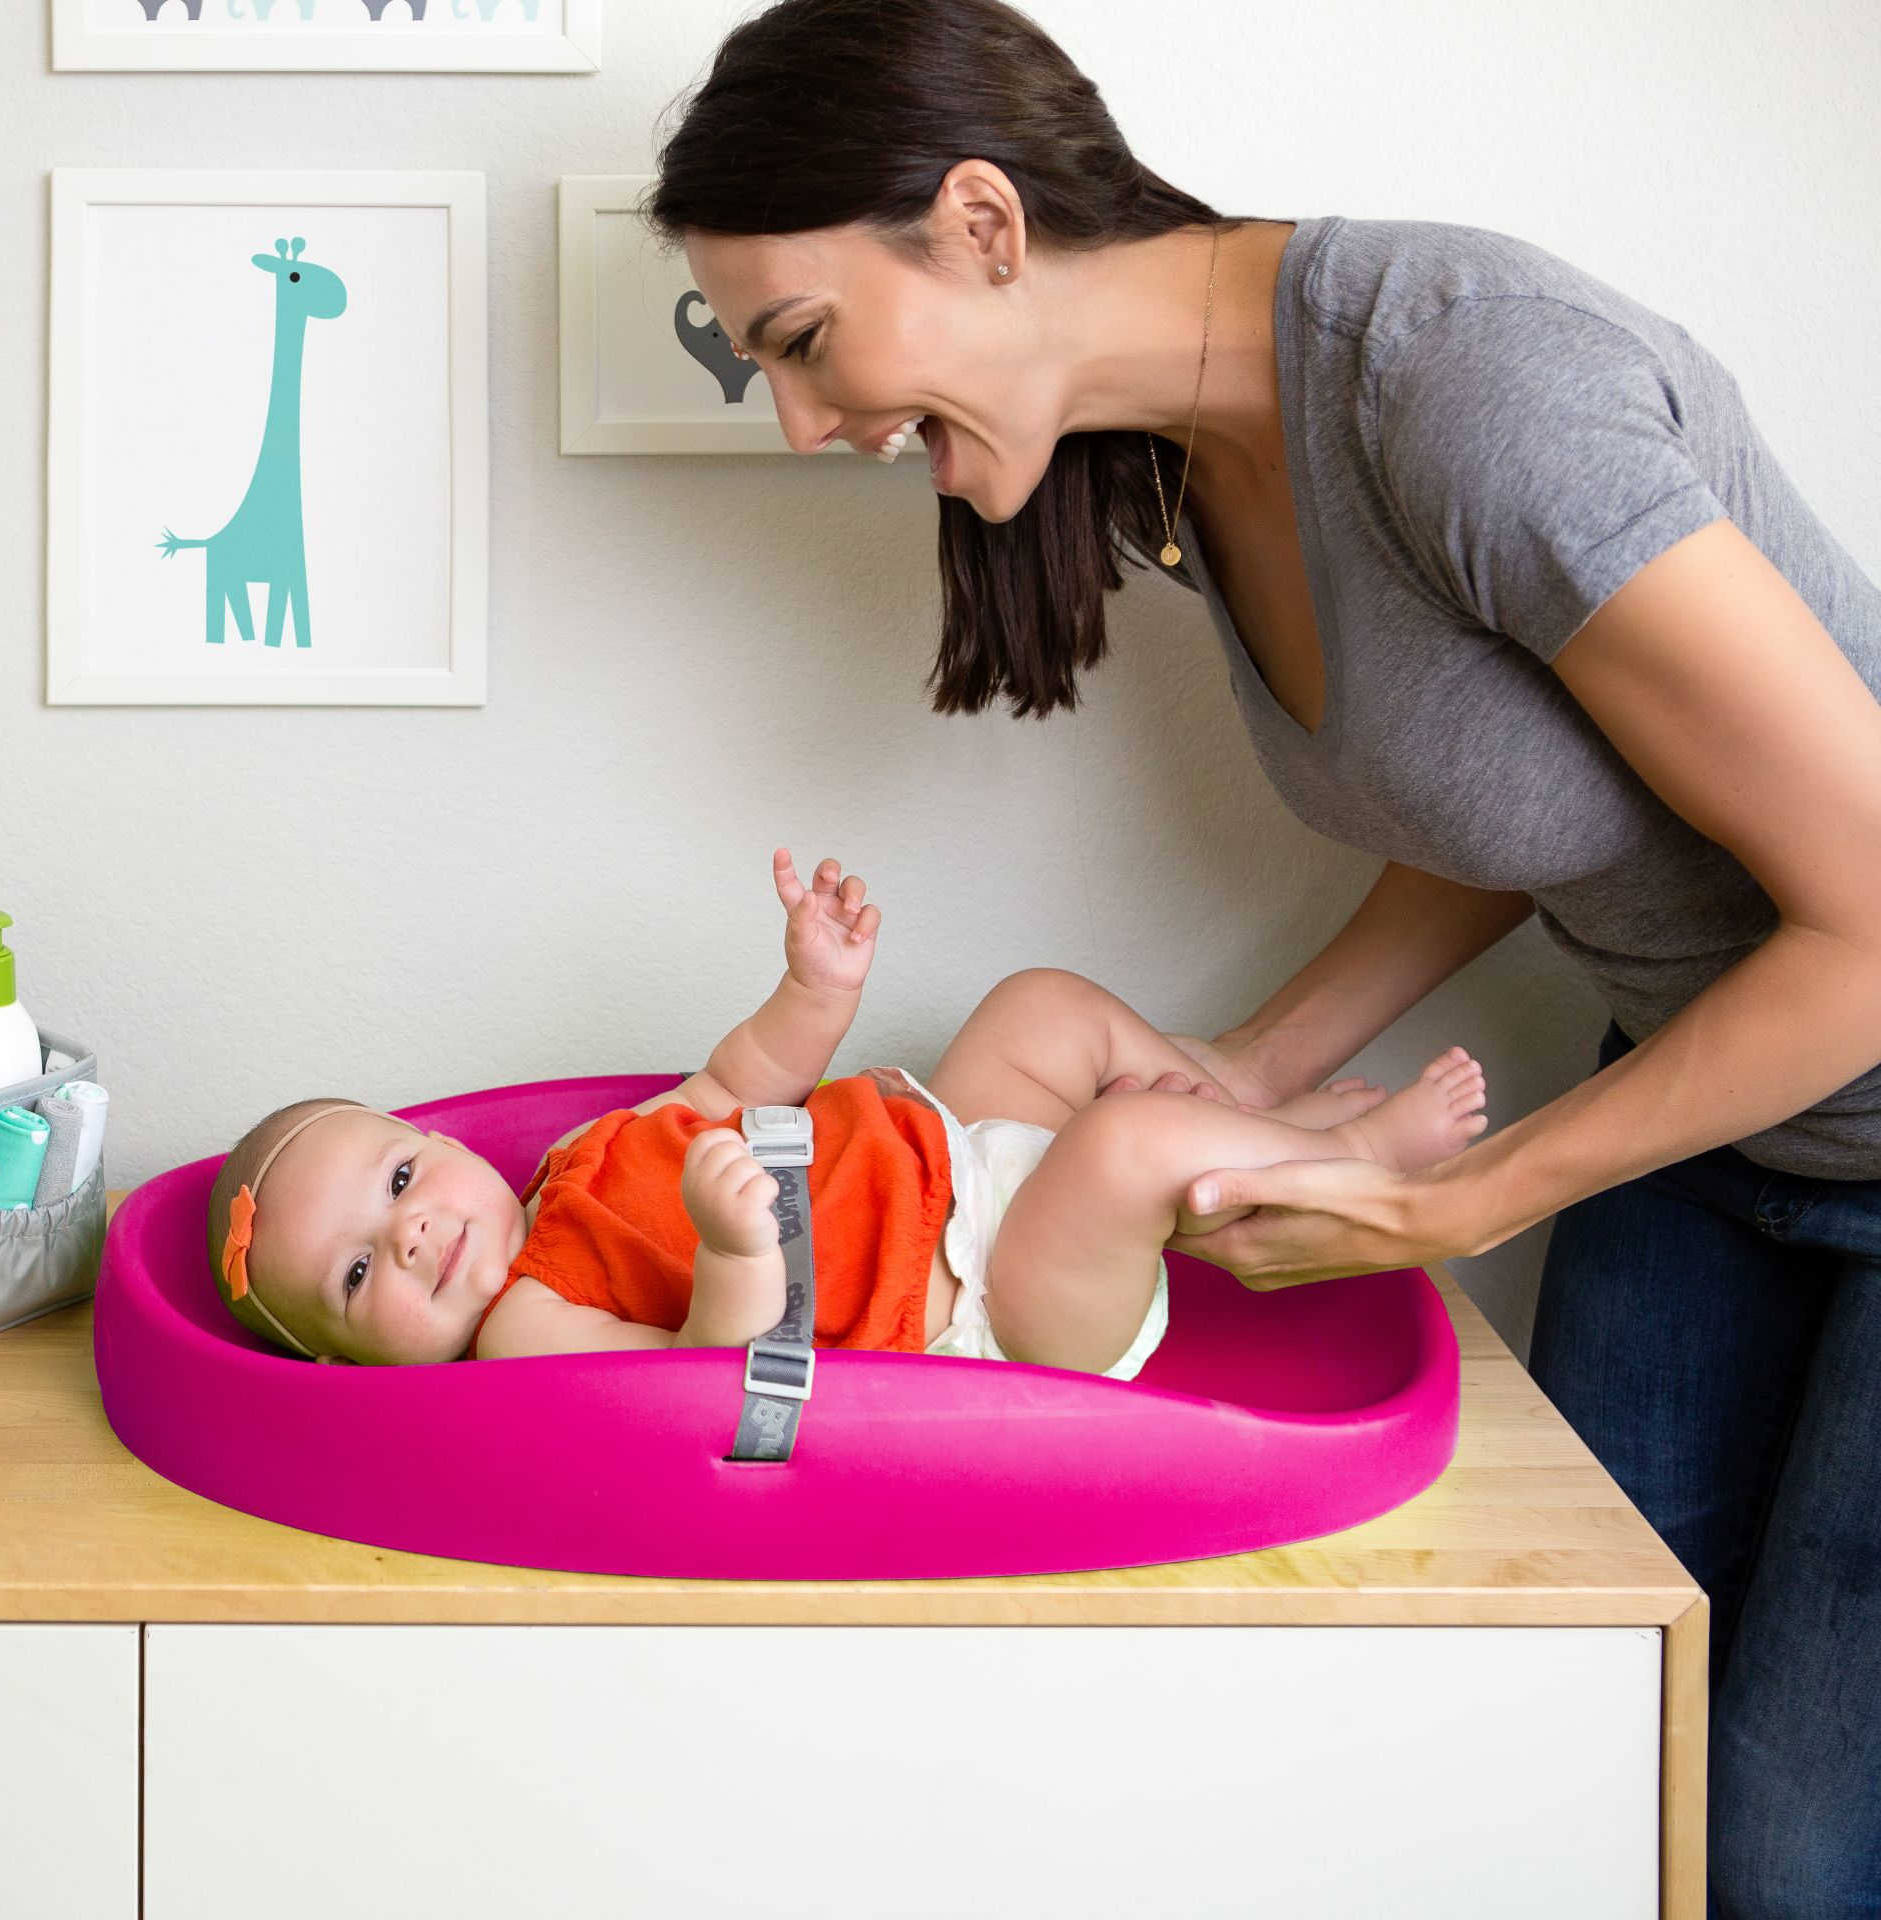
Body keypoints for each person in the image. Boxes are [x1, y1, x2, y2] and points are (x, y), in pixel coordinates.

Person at [645, 2, 1881, 1907]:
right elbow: (1523, 794)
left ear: (983, 221)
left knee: (1791, 1852)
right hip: (1707, 1119)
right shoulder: (1192, 467)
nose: (811, 425)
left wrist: (1460, 1205)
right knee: (1603, 1779)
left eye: (805, 346)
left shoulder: (1463, 384)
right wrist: (1257, 1070)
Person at [205, 848, 1487, 1372]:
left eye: (397, 1184)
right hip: (972, 1311)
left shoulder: (567, 1164)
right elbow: (706, 1384)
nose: (417, 1233)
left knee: (1040, 1006)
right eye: (362, 1273)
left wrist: (811, 989)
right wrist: (732, 1250)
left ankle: (1251, 1110)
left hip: (941, 1155)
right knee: (1123, 1145)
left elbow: (735, 1080)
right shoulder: (521, 1334)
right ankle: (1348, 1159)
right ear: (359, 1363)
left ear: (437, 1142)